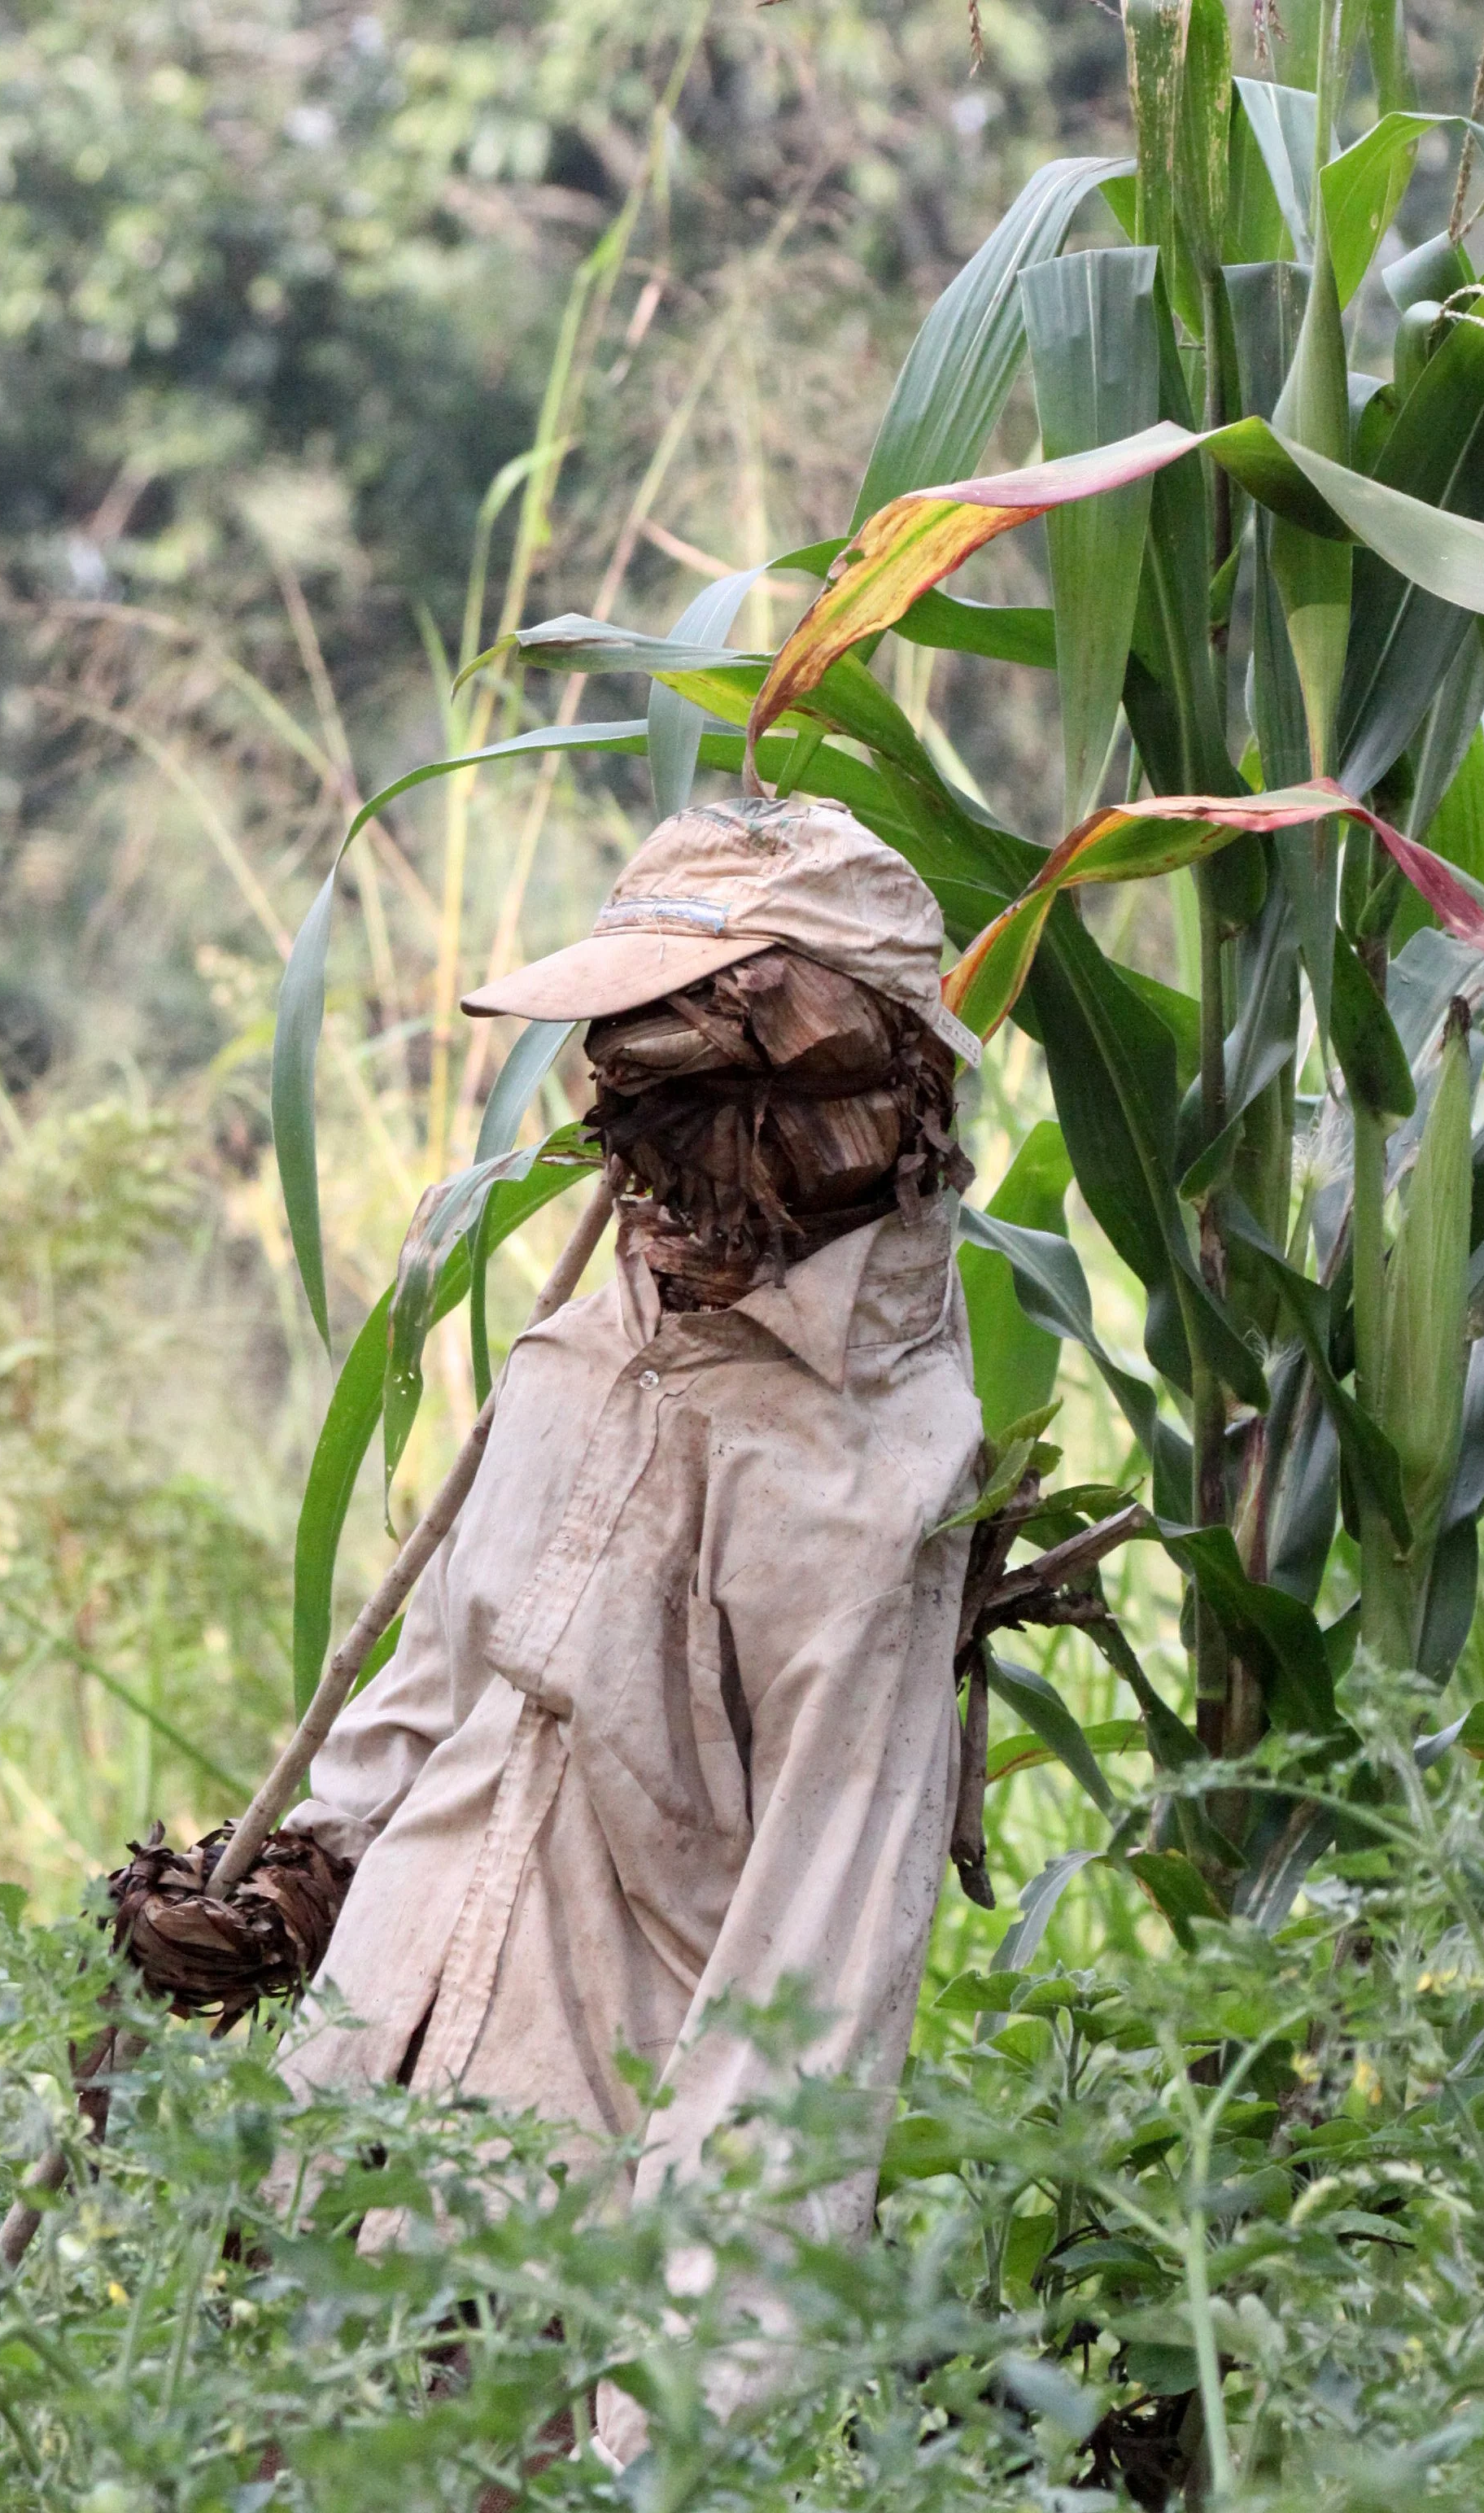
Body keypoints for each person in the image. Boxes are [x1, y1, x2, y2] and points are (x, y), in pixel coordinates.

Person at [275, 793, 986, 2466]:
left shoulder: (866, 1484)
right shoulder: (583, 1348)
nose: (642, 1148)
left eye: (700, 1096)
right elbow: (436, 1695)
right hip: (354, 2158)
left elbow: (811, 1980)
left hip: (577, 2258)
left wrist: (664, 2428)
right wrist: (292, 1886)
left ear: (856, 1099)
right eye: (629, 1081)